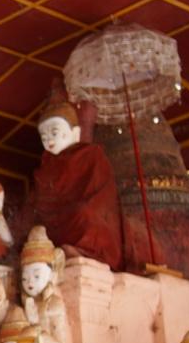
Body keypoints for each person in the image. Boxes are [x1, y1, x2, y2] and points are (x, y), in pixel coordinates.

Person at [30, 101, 122, 271]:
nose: (48, 139)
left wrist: (79, 206)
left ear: (75, 133)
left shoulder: (91, 154)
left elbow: (101, 193)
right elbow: (39, 203)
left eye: (54, 132)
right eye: (43, 136)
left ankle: (86, 250)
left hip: (84, 212)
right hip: (56, 217)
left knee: (83, 214)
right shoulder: (45, 167)